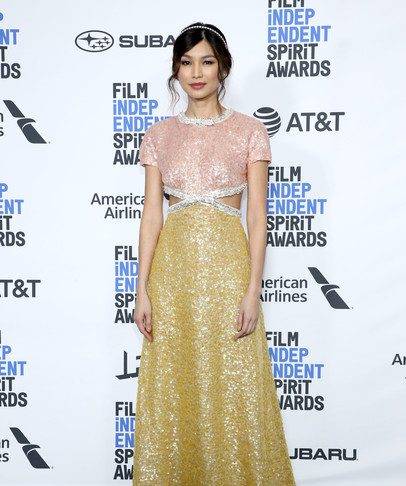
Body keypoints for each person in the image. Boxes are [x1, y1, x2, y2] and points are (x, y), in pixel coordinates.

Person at [132, 21, 296, 486]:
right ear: (176, 70)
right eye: (186, 63)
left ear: (222, 67)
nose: (196, 73)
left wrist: (252, 290)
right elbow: (151, 215)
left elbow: (257, 216)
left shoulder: (249, 131)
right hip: (172, 276)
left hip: (229, 272)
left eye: (206, 62)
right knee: (175, 382)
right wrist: (142, 290)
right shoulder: (158, 135)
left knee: (236, 380)